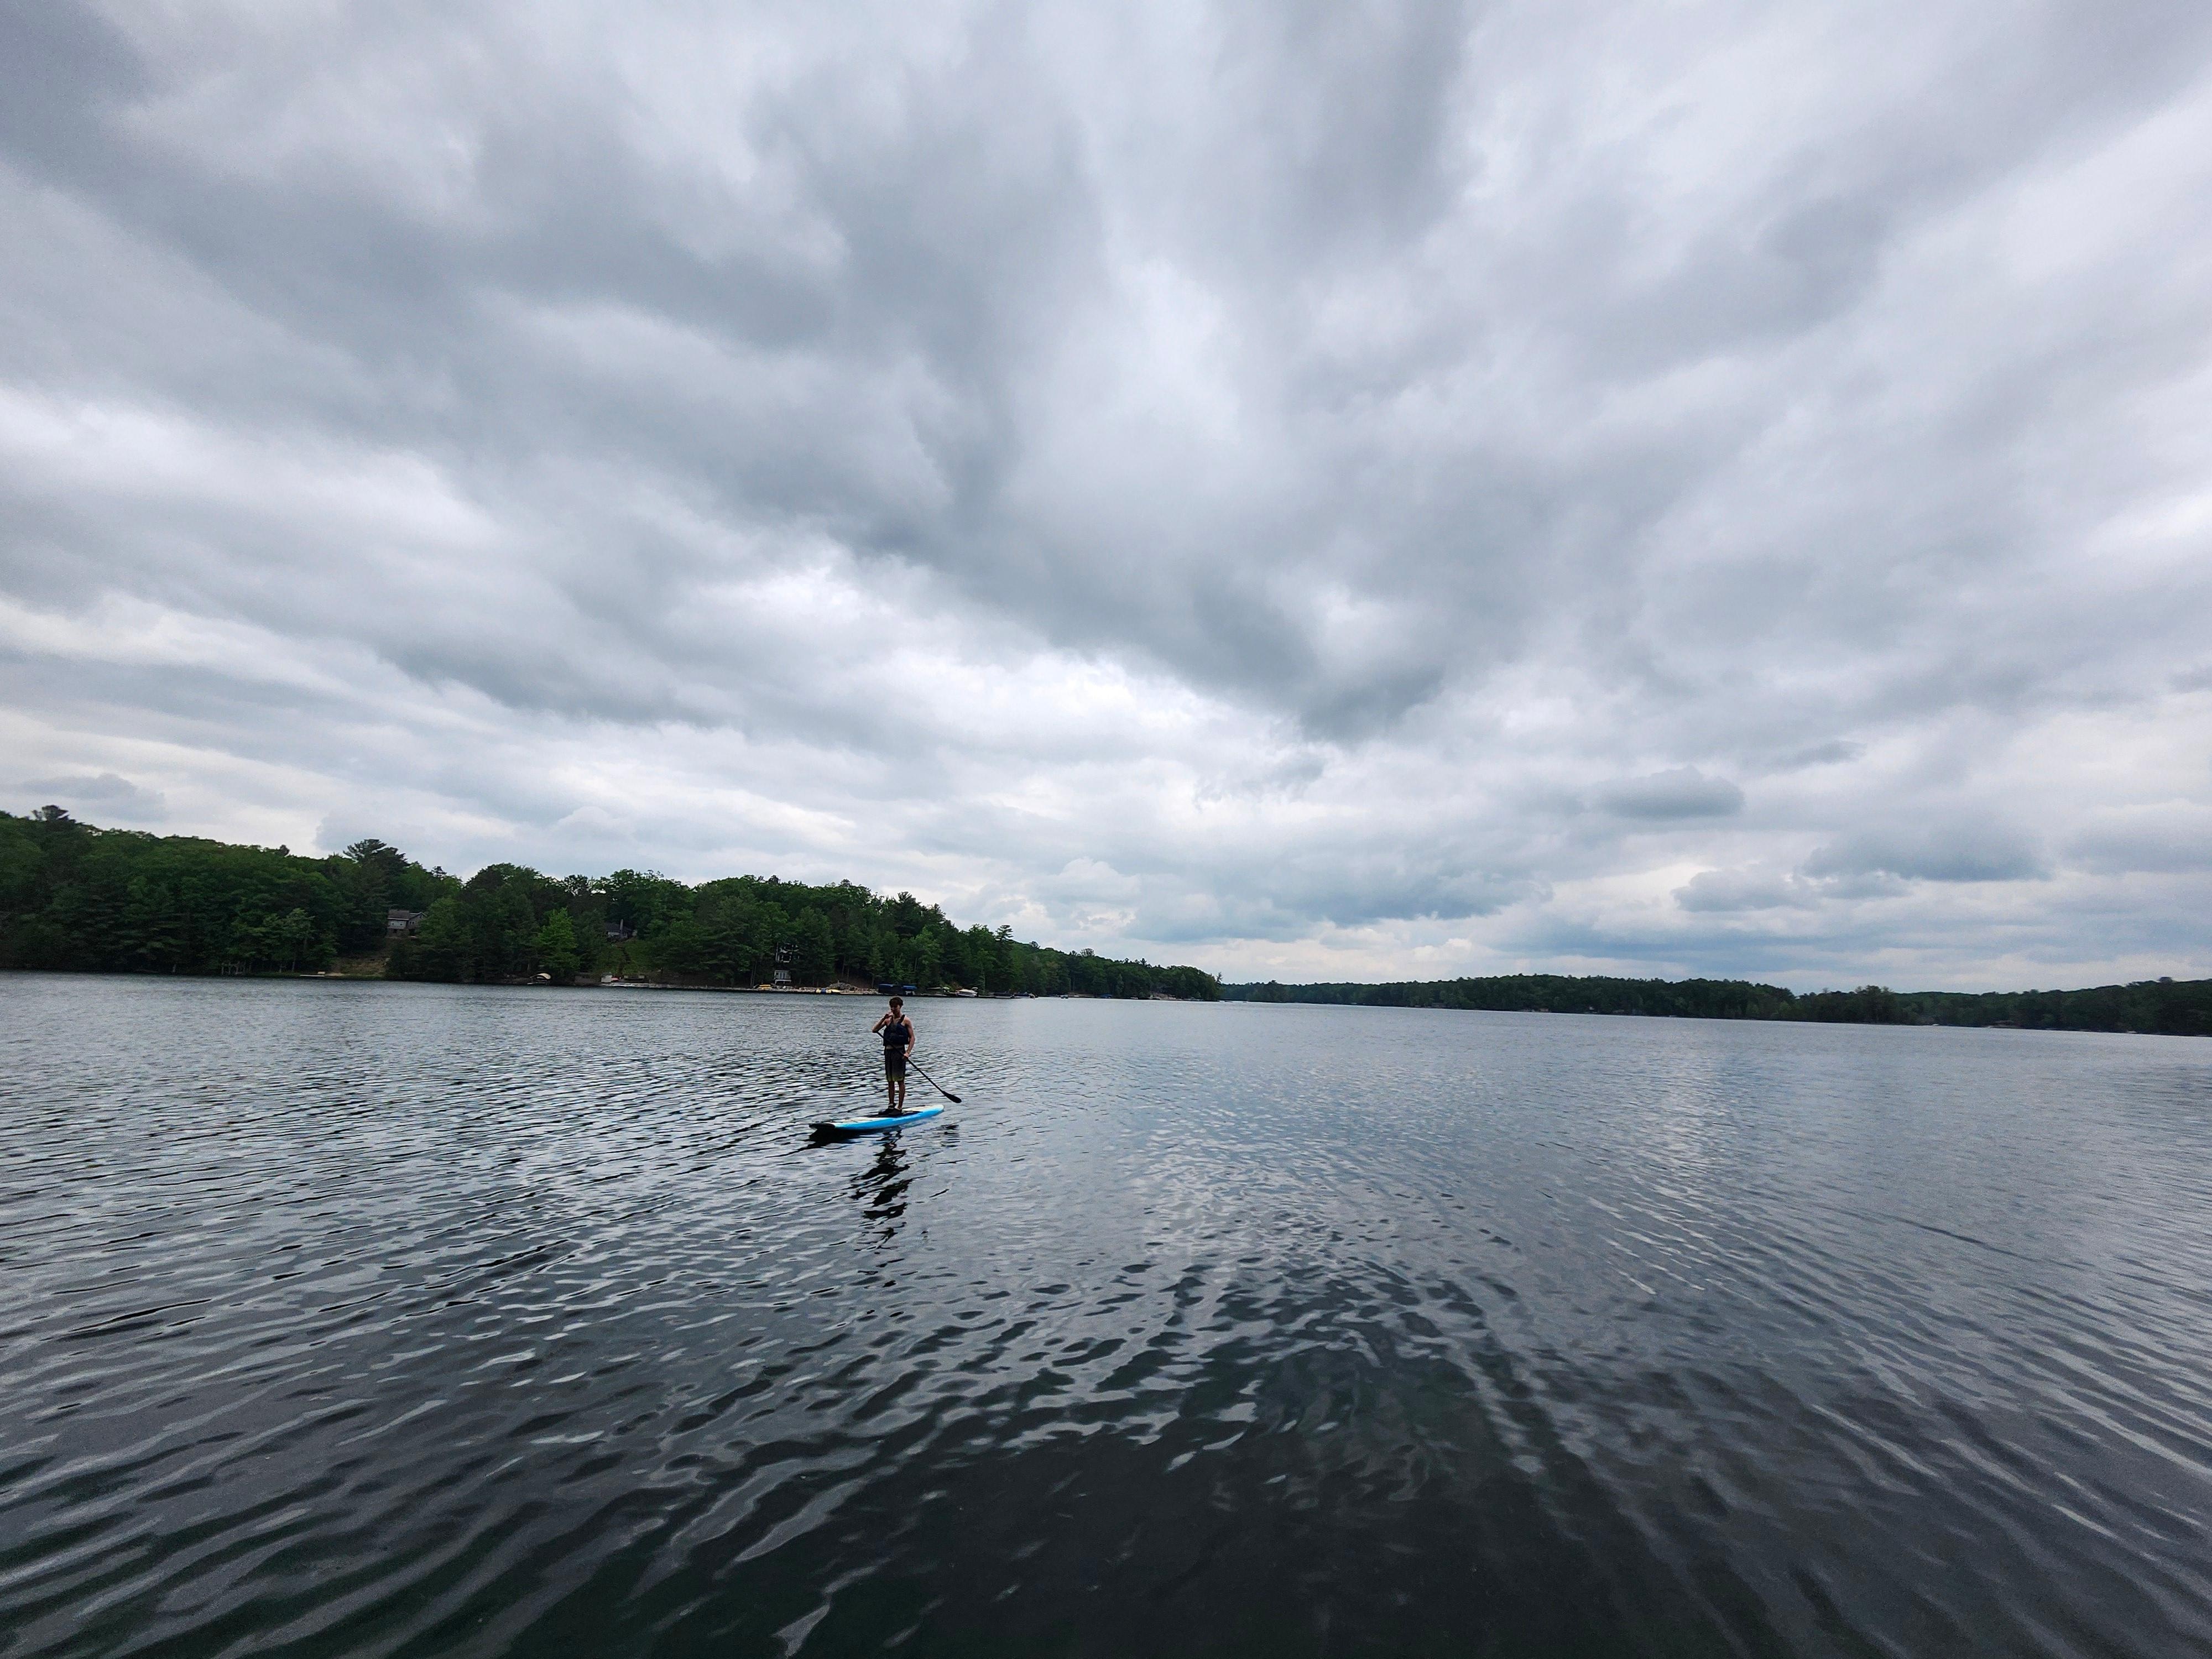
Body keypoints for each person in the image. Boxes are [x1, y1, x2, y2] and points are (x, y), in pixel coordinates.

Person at [870, 995, 915, 1115]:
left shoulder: (906, 1021)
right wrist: (883, 1019)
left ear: (900, 1007)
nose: (893, 1009)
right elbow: (874, 1030)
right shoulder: (888, 1020)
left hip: (899, 1053)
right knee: (890, 1081)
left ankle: (899, 1108)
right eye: (892, 1007)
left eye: (895, 1007)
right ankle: (891, 1106)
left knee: (900, 1081)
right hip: (888, 1053)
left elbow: (912, 1038)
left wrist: (908, 1053)